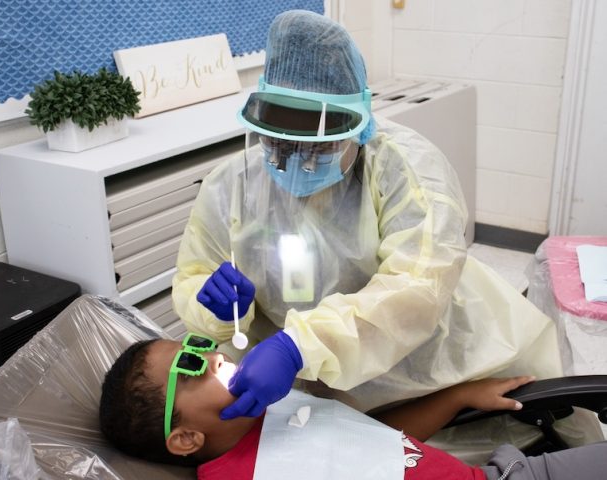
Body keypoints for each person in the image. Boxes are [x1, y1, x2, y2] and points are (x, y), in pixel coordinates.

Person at [172, 9, 601, 460]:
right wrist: (216, 309)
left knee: (504, 445)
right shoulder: (232, 184)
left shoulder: (406, 169)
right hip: (298, 386)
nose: (297, 161)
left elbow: (415, 290)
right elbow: (194, 275)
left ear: (358, 125)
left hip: (425, 364)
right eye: (280, 145)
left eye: (317, 148)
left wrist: (301, 344)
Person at [99, 335, 607, 480]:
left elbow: (374, 441)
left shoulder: (273, 407)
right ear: (185, 437)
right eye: (191, 365)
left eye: (196, 344)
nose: (213, 355)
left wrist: (457, 396)